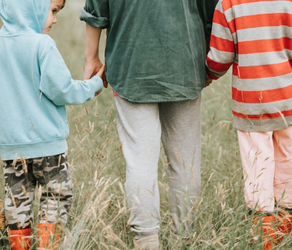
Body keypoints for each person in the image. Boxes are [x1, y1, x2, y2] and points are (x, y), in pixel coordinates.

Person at [80, 1, 217, 249]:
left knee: (140, 159)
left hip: (130, 67)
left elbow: (96, 10)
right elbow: (212, 11)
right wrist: (206, 60)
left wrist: (92, 58)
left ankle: (146, 240)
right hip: (185, 65)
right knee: (185, 160)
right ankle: (184, 237)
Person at [205, 0, 292, 248]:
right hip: (290, 102)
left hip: (251, 104)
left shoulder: (229, 3)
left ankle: (265, 243)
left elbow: (220, 58)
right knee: (286, 169)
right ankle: (283, 238)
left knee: (257, 173)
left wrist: (208, 74)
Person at [0, 0, 105, 249]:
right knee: (55, 201)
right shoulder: (41, 45)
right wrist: (93, 85)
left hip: (11, 152)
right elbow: (63, 90)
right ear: (31, 5)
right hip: (50, 151)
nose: (55, 19)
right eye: (53, 10)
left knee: (17, 205)